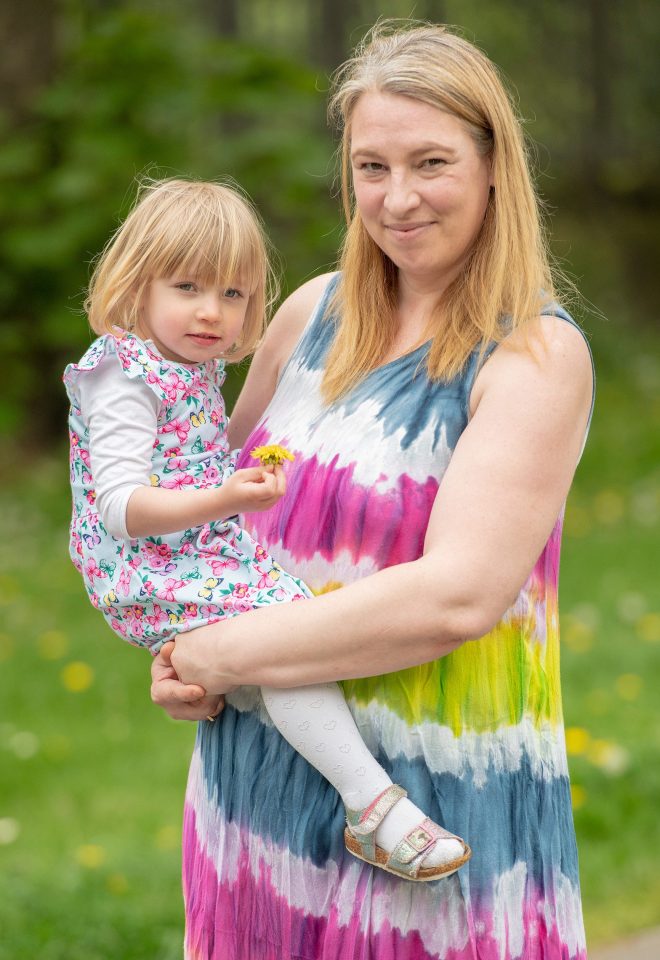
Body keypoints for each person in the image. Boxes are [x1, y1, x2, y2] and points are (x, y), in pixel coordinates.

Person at [151, 22, 593, 960]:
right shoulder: (310, 314)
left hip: (434, 807)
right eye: (370, 166)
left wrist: (224, 650)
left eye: (430, 162)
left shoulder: (533, 356)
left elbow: (457, 595)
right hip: (255, 800)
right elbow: (210, 523)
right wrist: (178, 650)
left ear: (492, 170)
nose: (397, 200)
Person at [63, 176, 471, 884]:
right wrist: (223, 496)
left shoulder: (188, 366)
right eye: (187, 286)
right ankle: (372, 807)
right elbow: (119, 507)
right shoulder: (124, 377)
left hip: (192, 552)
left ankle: (354, 793)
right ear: (137, 284)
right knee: (284, 635)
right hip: (147, 566)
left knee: (275, 650)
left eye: (234, 294)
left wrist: (241, 471)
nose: (212, 313)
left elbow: (195, 450)